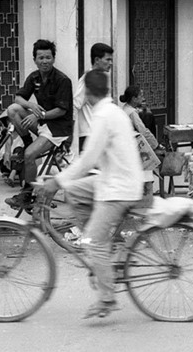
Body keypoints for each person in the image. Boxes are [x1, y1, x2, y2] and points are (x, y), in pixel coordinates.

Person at [42, 70, 145, 319]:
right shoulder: (114, 112)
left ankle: (107, 298)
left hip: (119, 188)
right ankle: (103, 247)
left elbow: (87, 160)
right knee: (74, 191)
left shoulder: (102, 117)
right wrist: (66, 180)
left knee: (93, 242)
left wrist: (57, 179)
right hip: (115, 179)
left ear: (87, 93)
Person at [5, 39, 73, 209]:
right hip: (43, 124)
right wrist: (31, 105)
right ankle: (28, 141)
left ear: (54, 58)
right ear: (35, 59)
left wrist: (40, 115)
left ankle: (27, 194)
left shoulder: (62, 80)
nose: (44, 61)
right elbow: (18, 98)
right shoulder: (34, 77)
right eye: (41, 58)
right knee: (13, 109)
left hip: (58, 129)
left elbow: (61, 111)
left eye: (48, 57)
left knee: (28, 155)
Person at [119, 86, 164, 187]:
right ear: (134, 99)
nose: (142, 98)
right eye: (141, 96)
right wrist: (156, 145)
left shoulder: (126, 108)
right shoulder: (132, 113)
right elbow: (143, 131)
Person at [74, 43, 114, 152]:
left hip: (101, 134)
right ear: (97, 59)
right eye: (107, 59)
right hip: (89, 135)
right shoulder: (87, 80)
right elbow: (75, 105)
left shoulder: (102, 78)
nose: (110, 63)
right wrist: (70, 136)